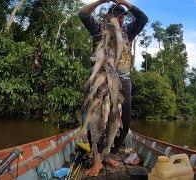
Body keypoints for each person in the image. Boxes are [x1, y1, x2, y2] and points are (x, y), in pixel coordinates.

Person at [78, 0, 148, 176]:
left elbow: (143, 18)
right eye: (115, 13)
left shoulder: (129, 31)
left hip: (123, 82)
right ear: (108, 16)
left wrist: (125, 3)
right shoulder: (98, 29)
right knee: (96, 121)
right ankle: (96, 161)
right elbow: (83, 14)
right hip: (102, 80)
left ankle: (109, 154)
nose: (119, 17)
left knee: (123, 123)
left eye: (122, 14)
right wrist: (101, 1)